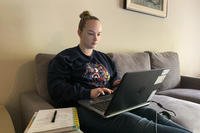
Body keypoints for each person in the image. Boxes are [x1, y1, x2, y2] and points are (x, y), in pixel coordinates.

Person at [48, 11, 192, 133]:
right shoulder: (65, 58)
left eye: (99, 34)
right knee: (138, 124)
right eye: (91, 34)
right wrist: (89, 92)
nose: (96, 39)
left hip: (109, 102)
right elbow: (56, 89)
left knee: (151, 114)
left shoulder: (103, 58)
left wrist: (118, 85)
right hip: (83, 108)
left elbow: (111, 82)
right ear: (79, 32)